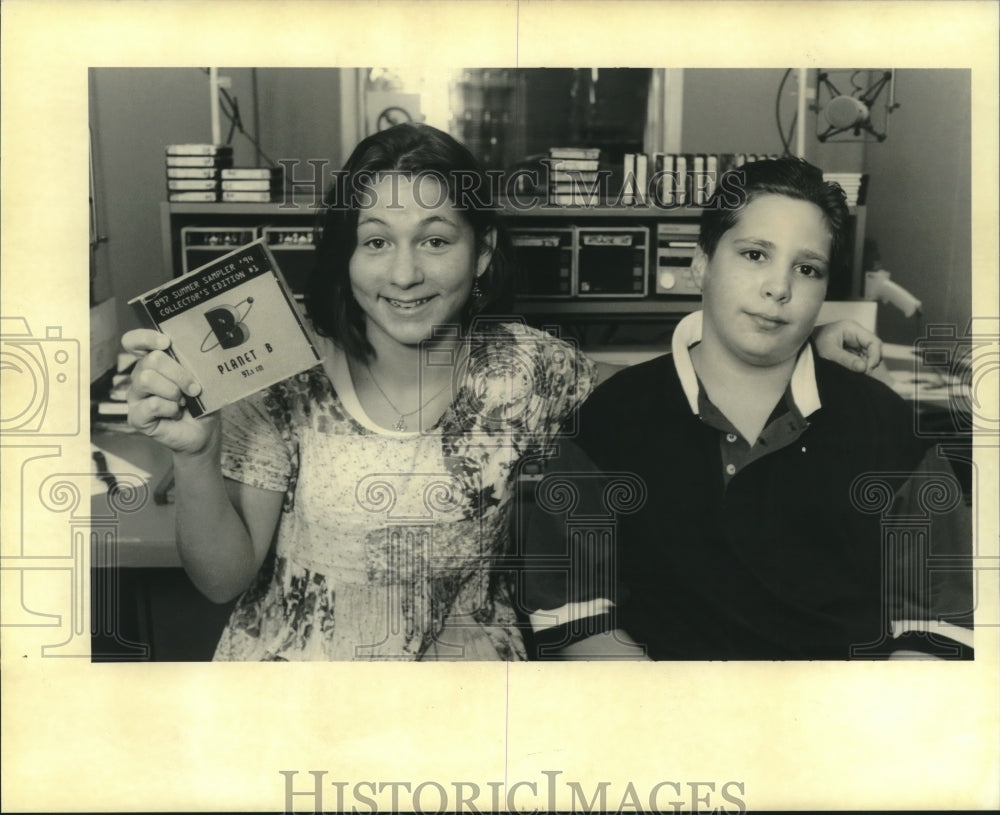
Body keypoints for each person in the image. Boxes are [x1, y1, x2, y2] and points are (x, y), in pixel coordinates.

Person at [124, 124, 885, 661]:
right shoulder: (284, 382)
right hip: (302, 690)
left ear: (483, 252)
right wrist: (195, 457)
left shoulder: (529, 371)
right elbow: (222, 578)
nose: (404, 273)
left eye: (436, 238)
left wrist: (788, 345)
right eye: (376, 241)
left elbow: (670, 389)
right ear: (344, 256)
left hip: (468, 695)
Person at [523, 156, 973, 661]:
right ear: (700, 264)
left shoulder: (889, 429)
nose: (779, 288)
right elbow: (570, 613)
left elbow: (940, 628)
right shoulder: (611, 419)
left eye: (806, 269)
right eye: (756, 254)